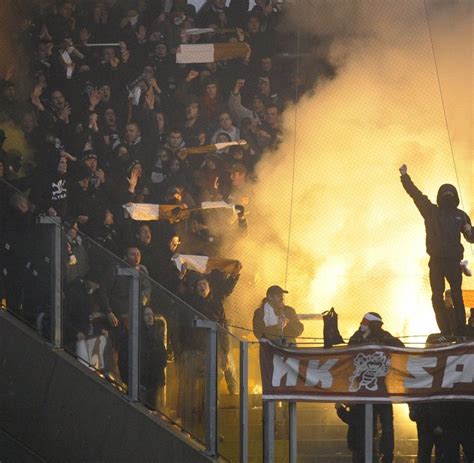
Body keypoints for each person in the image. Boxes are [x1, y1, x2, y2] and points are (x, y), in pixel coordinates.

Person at [399, 164, 473, 335]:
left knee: (456, 295)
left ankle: (461, 330)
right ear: (440, 196)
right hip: (437, 262)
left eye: (450, 193)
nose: (448, 196)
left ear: (455, 197)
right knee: (437, 296)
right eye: (445, 193)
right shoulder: (431, 211)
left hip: (454, 262)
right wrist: (404, 176)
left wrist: (470, 231)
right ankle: (445, 332)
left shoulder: (461, 215)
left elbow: (471, 238)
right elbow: (416, 195)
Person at [349, 312, 404, 463]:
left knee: (387, 425)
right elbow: (350, 348)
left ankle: (387, 457)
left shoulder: (385, 335)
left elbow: (401, 347)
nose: (362, 324)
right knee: (365, 426)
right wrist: (365, 337)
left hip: (381, 389)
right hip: (363, 390)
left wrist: (380, 338)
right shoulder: (357, 336)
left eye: (366, 322)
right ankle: (367, 456)